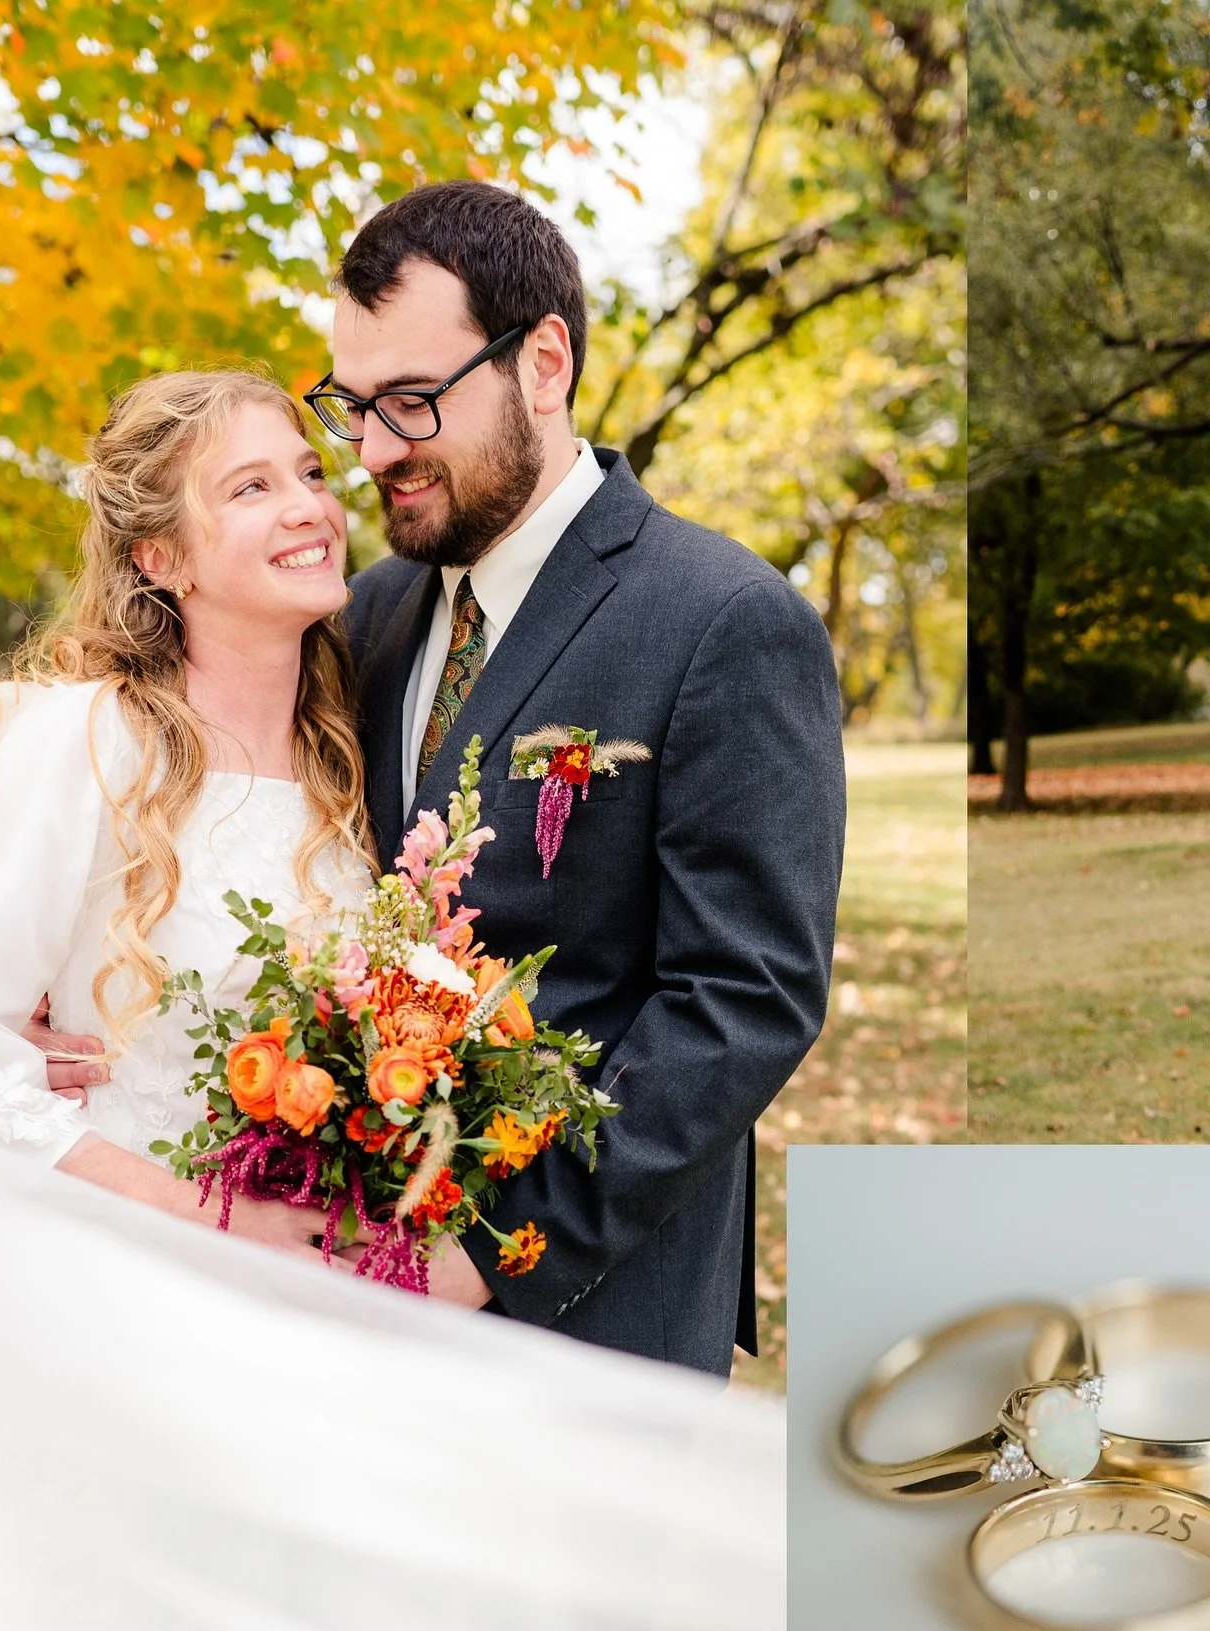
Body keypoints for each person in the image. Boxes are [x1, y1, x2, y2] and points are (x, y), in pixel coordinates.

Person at [0, 365, 785, 1631]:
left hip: (314, 1335)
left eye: (308, 473)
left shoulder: (341, 771)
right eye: (251, 488)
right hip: (116, 1323)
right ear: (158, 559)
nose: (313, 504)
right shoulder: (84, 746)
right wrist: (205, 1211)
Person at [42, 181, 846, 1376]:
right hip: (344, 1309)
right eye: (352, 407)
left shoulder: (724, 619)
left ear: (544, 363)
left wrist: (492, 1248)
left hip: (589, 1311)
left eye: (412, 402)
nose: (369, 452)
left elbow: (744, 998)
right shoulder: (365, 614)